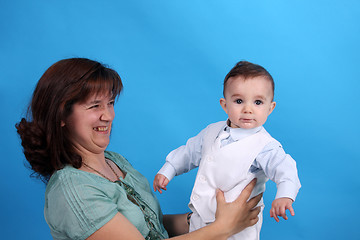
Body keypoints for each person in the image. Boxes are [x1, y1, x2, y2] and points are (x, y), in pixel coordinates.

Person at [16, 58, 263, 240]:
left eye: (110, 103)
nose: (108, 115)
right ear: (62, 115)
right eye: (94, 106)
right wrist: (223, 228)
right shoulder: (72, 188)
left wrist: (203, 221)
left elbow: (148, 227)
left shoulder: (114, 162)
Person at [154, 61, 301, 240]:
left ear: (270, 108)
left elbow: (285, 169)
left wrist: (285, 196)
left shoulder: (264, 146)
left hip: (237, 229)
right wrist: (168, 170)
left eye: (258, 102)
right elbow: (188, 152)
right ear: (224, 105)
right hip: (200, 221)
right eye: (239, 101)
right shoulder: (211, 131)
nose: (248, 109)